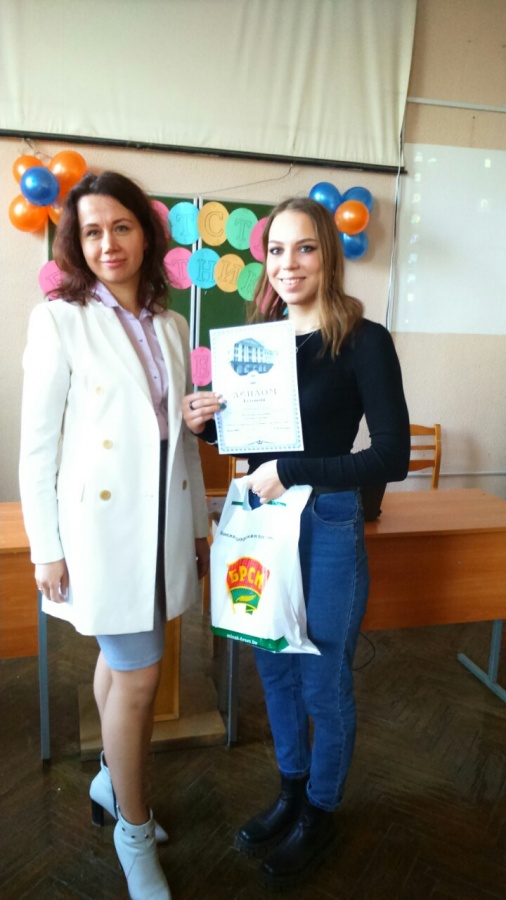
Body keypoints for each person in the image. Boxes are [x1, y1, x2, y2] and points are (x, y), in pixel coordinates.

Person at [182, 197, 410, 890]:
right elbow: (253, 446)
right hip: (262, 521)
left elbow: (392, 456)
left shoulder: (364, 340)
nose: (289, 264)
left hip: (329, 522)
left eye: (305, 248)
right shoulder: (258, 339)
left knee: (323, 677)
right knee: (274, 668)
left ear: (328, 255)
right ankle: (291, 789)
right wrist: (206, 424)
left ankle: (321, 808)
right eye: (276, 250)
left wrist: (296, 470)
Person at [19, 171, 210, 900]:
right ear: (76, 242)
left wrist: (197, 527)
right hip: (100, 531)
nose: (108, 244)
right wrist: (46, 546)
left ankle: (107, 779)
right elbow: (38, 448)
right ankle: (134, 831)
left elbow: (179, 441)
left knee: (120, 659)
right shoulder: (60, 318)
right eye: (92, 231)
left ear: (146, 233)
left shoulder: (171, 323)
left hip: (162, 522)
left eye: (121, 227)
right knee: (138, 677)